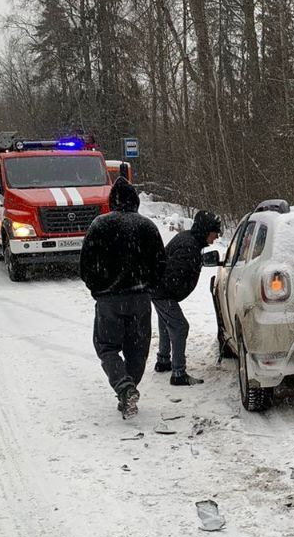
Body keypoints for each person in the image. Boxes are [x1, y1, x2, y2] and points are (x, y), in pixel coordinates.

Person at [79, 176, 166, 418]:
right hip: (140, 299)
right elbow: (160, 263)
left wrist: (98, 287)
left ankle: (124, 387)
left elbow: (86, 265)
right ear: (135, 201)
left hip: (109, 299)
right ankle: (128, 389)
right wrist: (147, 286)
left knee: (107, 347)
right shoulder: (147, 227)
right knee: (137, 350)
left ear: (112, 202)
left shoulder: (99, 225)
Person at [151, 210, 222, 386]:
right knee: (180, 326)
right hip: (162, 291)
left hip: (157, 288)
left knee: (166, 322)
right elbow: (173, 277)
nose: (217, 236)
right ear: (207, 231)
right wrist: (172, 297)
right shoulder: (189, 247)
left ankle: (163, 361)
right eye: (215, 232)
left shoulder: (189, 239)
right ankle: (178, 373)